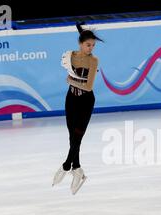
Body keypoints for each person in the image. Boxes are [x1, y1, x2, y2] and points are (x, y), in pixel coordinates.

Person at [52, 22, 103, 195]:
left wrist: (71, 81)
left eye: (93, 45)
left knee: (78, 134)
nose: (91, 48)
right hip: (71, 99)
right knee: (72, 136)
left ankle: (67, 165)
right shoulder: (70, 56)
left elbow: (88, 87)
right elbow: (69, 77)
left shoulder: (94, 60)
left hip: (86, 101)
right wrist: (72, 82)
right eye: (88, 45)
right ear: (80, 44)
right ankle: (78, 168)